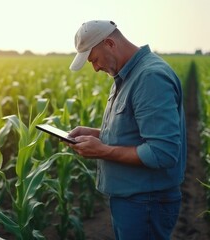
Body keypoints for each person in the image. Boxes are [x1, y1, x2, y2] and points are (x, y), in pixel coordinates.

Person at [66, 20, 187, 240]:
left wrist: (102, 150)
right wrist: (97, 134)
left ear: (110, 43)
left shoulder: (149, 78)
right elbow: (135, 134)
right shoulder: (125, 75)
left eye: (94, 59)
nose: (95, 68)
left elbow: (162, 152)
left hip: (145, 203)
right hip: (134, 201)